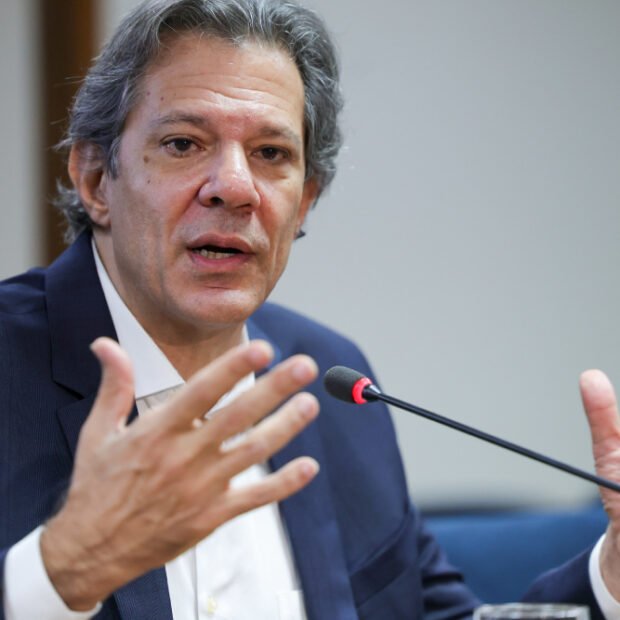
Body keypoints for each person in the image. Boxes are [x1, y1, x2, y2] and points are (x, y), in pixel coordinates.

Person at [1, 0, 620, 618]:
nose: (235, 187)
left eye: (271, 153)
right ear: (95, 180)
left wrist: (612, 579)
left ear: (302, 204)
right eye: (184, 143)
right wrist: (60, 576)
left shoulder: (332, 381)